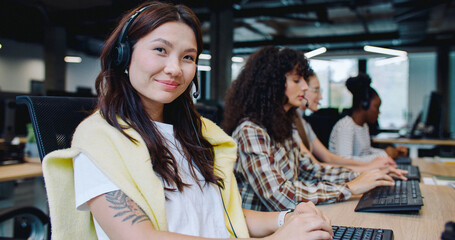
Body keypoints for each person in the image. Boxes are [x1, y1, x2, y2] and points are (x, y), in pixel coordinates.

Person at [41, 2, 333, 240]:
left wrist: (287, 218)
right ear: (124, 56)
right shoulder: (99, 141)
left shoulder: (198, 134)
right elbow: (141, 237)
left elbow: (222, 216)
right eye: (160, 50)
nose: (174, 69)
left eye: (188, 57)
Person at [222, 46, 407, 211]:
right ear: (273, 85)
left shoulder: (282, 127)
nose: (304, 87)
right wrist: (350, 188)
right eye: (297, 80)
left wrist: (363, 175)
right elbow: (281, 197)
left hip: (289, 222)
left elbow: (312, 170)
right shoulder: (251, 131)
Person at [295, 69, 396, 172]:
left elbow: (328, 158)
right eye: (316, 90)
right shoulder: (346, 126)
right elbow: (320, 165)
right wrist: (372, 164)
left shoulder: (304, 124)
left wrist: (374, 164)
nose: (320, 97)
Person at [328, 73, 408, 162]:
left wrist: (391, 152)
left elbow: (367, 152)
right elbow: (345, 161)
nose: (379, 112)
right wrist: (384, 154)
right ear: (364, 105)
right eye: (376, 107)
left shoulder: (364, 126)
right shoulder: (346, 126)